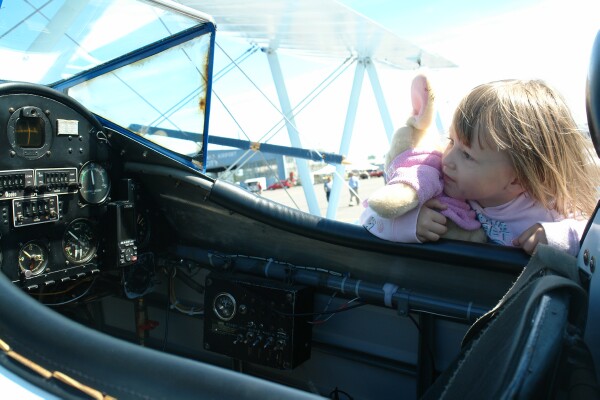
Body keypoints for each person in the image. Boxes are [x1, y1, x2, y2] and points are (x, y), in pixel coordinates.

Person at [391, 79, 598, 256]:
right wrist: (410, 223)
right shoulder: (441, 184)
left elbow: (594, 238)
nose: (447, 159)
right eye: (451, 141)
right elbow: (375, 216)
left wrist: (560, 237)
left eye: (467, 155)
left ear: (518, 179)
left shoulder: (551, 209)